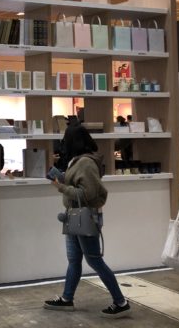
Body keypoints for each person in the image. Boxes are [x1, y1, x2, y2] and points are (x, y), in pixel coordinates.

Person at [44, 124, 130, 318]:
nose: (63, 143)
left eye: (65, 140)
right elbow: (77, 183)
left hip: (85, 217)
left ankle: (121, 302)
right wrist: (61, 178)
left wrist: (60, 187)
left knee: (94, 260)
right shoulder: (78, 160)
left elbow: (86, 194)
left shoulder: (86, 162)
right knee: (74, 260)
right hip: (75, 216)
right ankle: (67, 299)